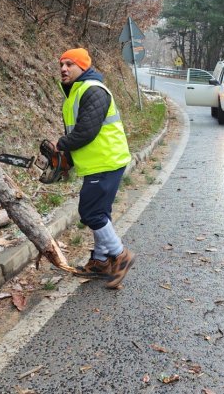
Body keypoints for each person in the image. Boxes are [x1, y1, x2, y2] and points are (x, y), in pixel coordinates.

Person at [53, 48, 135, 289]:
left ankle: (120, 256)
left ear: (83, 67)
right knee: (99, 211)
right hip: (98, 162)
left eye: (70, 64)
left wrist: (60, 145)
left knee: (91, 212)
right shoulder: (76, 93)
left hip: (106, 161)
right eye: (62, 64)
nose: (64, 69)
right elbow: (78, 131)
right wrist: (66, 155)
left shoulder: (93, 91)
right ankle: (100, 261)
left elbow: (86, 131)